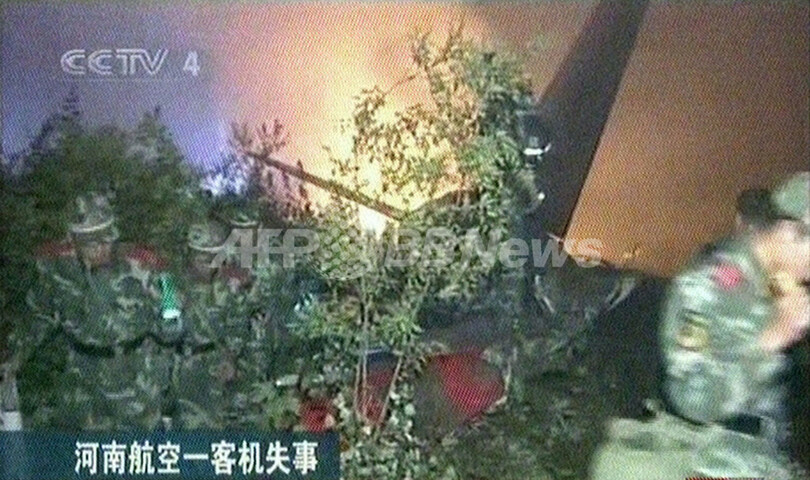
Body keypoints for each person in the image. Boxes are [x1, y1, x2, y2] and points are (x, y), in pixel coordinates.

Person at [659, 172, 810, 477]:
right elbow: (692, 398)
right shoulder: (709, 284)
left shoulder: (778, 287)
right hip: (714, 462)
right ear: (788, 233)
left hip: (764, 460)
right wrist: (772, 339)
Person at [17, 192, 171, 430]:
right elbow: (40, 315)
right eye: (88, 243)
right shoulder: (57, 267)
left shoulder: (141, 264)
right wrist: (14, 358)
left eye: (104, 241)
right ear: (73, 240)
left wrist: (170, 330)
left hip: (134, 375)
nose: (98, 249)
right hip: (82, 377)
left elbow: (171, 304)